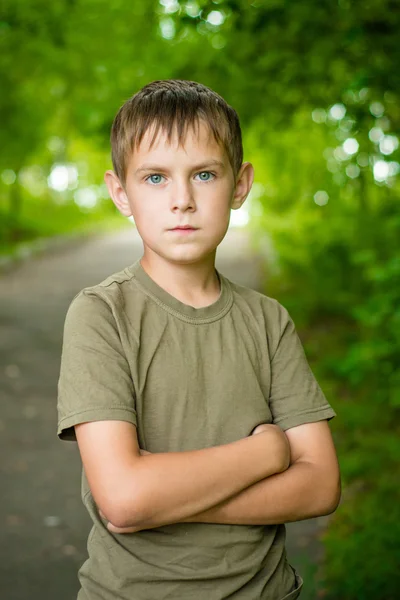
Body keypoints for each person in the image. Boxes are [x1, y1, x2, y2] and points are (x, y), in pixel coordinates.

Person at [57, 79, 340, 600]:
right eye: (156, 177)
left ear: (240, 184)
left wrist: (163, 502)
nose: (182, 200)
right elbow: (123, 499)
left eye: (204, 174)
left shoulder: (267, 320)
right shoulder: (102, 315)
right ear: (121, 192)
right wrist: (267, 453)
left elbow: (320, 486)